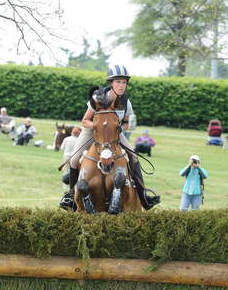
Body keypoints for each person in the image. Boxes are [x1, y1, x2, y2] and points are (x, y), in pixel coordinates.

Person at [59, 64, 160, 210]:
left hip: (114, 133)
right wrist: (96, 127)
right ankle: (70, 196)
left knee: (133, 155)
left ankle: (143, 194)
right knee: (74, 159)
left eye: (124, 82)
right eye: (118, 82)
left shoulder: (126, 103)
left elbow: (126, 123)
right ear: (111, 83)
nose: (121, 85)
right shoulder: (98, 98)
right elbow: (85, 120)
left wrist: (120, 128)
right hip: (93, 131)